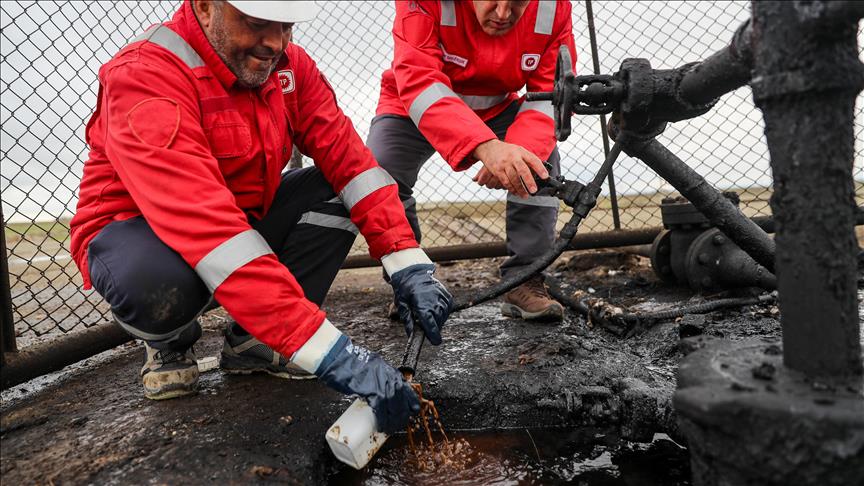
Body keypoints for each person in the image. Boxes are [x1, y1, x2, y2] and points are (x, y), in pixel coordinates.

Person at [68, 0, 453, 434]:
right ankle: (169, 341)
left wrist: (409, 264)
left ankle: (255, 342)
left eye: (286, 25)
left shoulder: (290, 67)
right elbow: (209, 229)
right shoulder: (148, 73)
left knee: (340, 187)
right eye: (256, 23)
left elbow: (353, 164)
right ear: (205, 7)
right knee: (151, 279)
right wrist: (332, 353)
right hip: (148, 235)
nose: (276, 42)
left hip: (239, 223)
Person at [369, 0, 576, 322]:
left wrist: (516, 152)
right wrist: (485, 147)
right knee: (380, 174)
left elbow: (552, 93)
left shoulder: (553, 7)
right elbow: (419, 78)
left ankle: (524, 280)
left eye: (518, 3)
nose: (504, 14)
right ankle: (409, 283)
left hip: (499, 108)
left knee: (538, 165)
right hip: (412, 105)